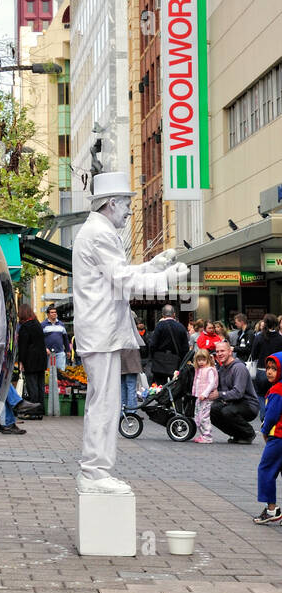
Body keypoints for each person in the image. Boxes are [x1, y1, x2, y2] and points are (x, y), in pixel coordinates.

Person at [71, 171, 186, 494]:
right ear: (110, 203)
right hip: (102, 331)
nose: (129, 211)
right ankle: (95, 470)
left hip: (101, 331)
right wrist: (166, 280)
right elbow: (124, 281)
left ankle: (97, 470)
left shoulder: (97, 231)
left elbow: (120, 275)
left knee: (105, 402)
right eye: (125, 204)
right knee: (104, 404)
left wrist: (154, 266)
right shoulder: (100, 234)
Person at [210, 337, 260, 443]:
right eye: (217, 351)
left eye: (222, 351)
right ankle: (238, 434)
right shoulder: (222, 368)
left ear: (230, 351)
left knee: (227, 411)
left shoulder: (239, 368)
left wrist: (219, 394)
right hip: (233, 402)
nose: (219, 354)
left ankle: (249, 433)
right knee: (212, 410)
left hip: (248, 404)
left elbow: (238, 393)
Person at [254, 352, 282, 524]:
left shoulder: (277, 389)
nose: (270, 372)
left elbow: (271, 416)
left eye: (274, 368)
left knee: (266, 470)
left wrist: (264, 431)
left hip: (277, 437)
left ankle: (271, 510)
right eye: (268, 368)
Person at [148, 304, 190, 383]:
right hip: (176, 362)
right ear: (174, 314)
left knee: (160, 386)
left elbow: (153, 345)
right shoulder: (181, 327)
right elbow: (185, 348)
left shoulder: (159, 326)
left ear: (163, 315)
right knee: (175, 384)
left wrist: (154, 356)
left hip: (160, 362)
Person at [17, 303, 47, 411]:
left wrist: (21, 361)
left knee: (32, 385)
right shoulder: (38, 324)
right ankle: (41, 409)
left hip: (31, 360)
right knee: (40, 385)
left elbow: (23, 346)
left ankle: (34, 410)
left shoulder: (25, 327)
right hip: (41, 359)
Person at [251, 315, 281, 420]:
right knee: (274, 395)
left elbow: (253, 354)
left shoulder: (259, 337)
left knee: (261, 395)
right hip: (276, 371)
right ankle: (272, 416)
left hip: (261, 370)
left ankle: (264, 416)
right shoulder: (280, 338)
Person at [191, 347, 217, 444]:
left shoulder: (209, 370)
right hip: (199, 397)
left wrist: (205, 394)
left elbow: (211, 383)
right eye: (199, 360)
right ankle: (203, 435)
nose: (201, 362)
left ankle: (207, 436)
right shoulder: (199, 370)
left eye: (203, 360)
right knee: (197, 417)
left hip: (206, 398)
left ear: (207, 360)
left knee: (204, 417)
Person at [42, 305, 71, 374]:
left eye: (55, 312)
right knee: (50, 373)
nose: (54, 313)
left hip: (60, 352)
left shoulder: (61, 324)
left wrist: (68, 350)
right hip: (48, 354)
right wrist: (45, 348)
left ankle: (60, 384)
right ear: (48, 314)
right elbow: (39, 339)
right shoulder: (43, 325)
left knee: (61, 372)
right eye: (52, 312)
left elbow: (65, 338)